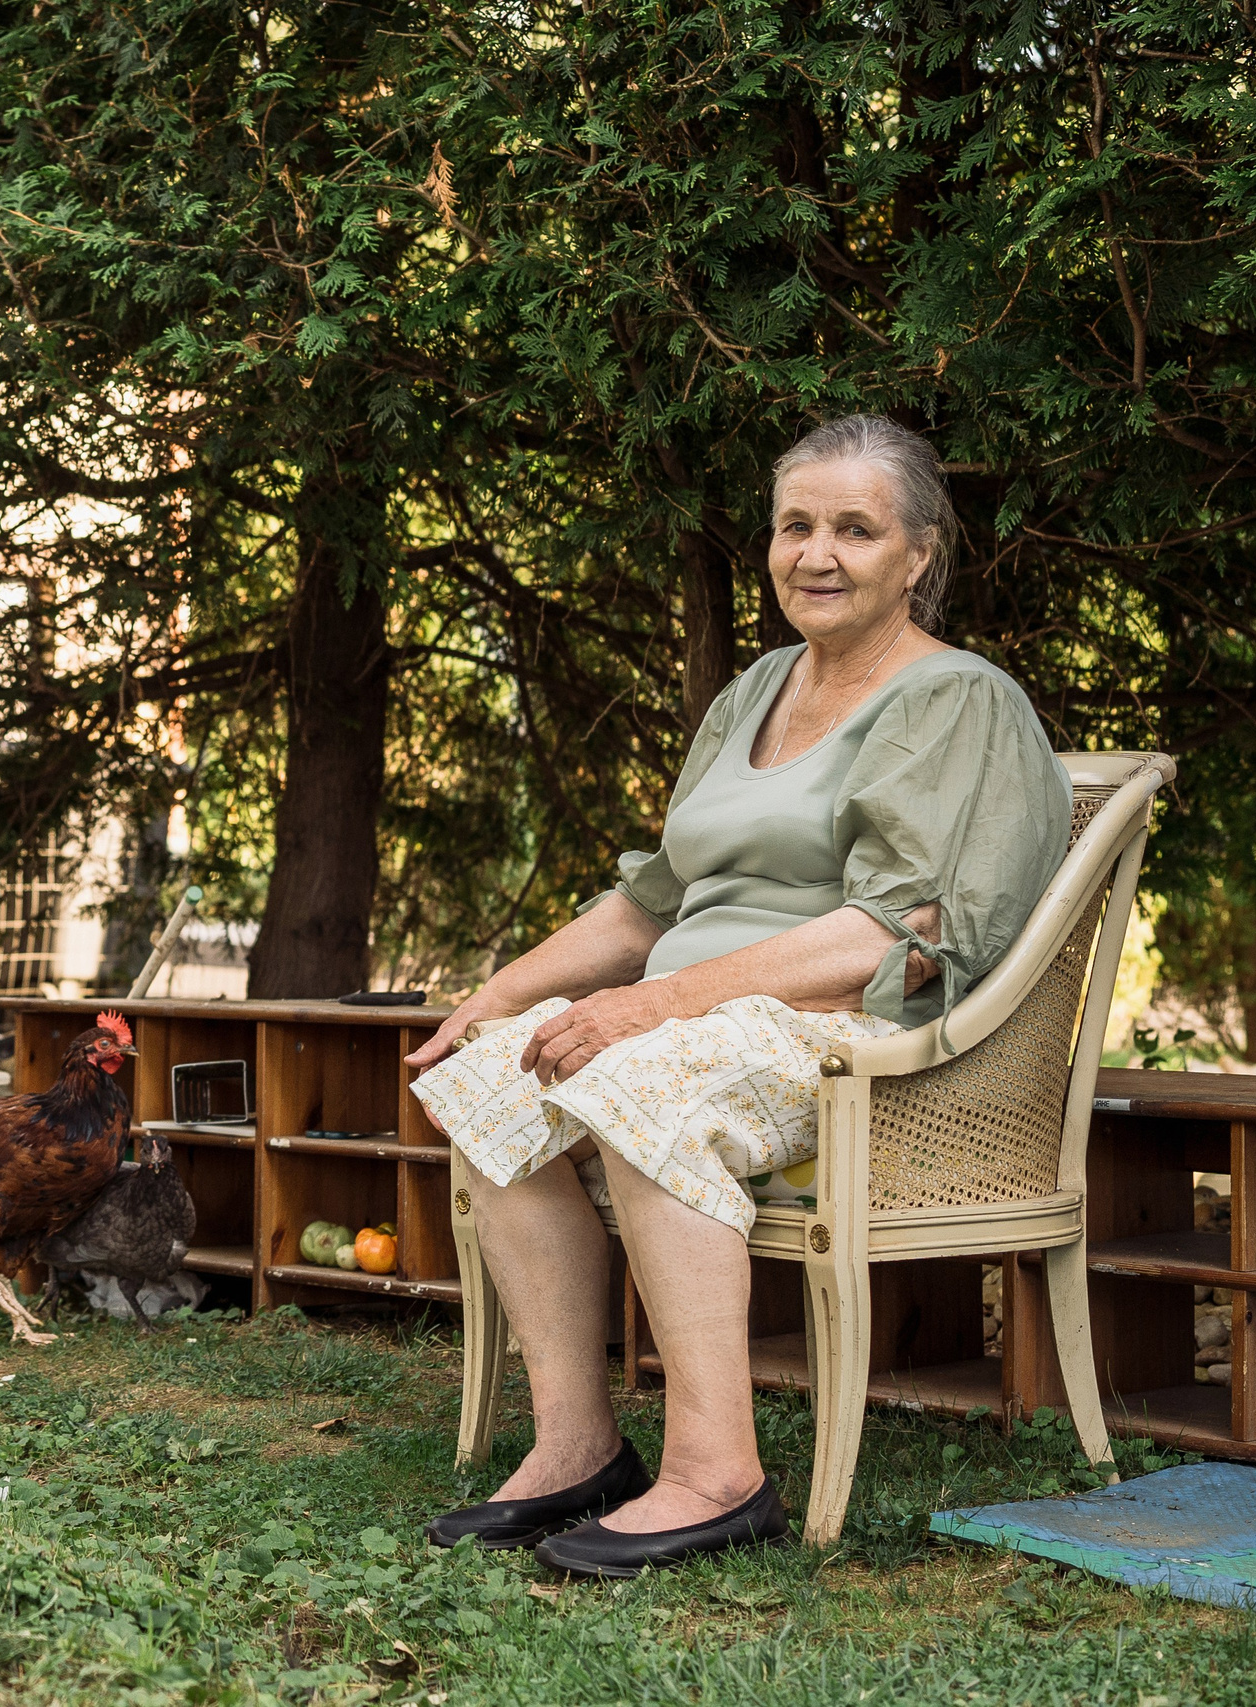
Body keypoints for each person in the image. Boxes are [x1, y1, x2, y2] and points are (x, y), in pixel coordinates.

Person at [407, 415, 1070, 1575]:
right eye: (795, 525)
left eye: (854, 530)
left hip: (851, 1027)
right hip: (700, 1016)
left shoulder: (950, 700)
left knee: (632, 1074)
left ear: (917, 554)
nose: (816, 553)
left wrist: (654, 1009)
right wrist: (496, 993)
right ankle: (576, 1447)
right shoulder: (755, 688)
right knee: (488, 1079)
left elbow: (897, 926)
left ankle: (718, 1473)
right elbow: (648, 902)